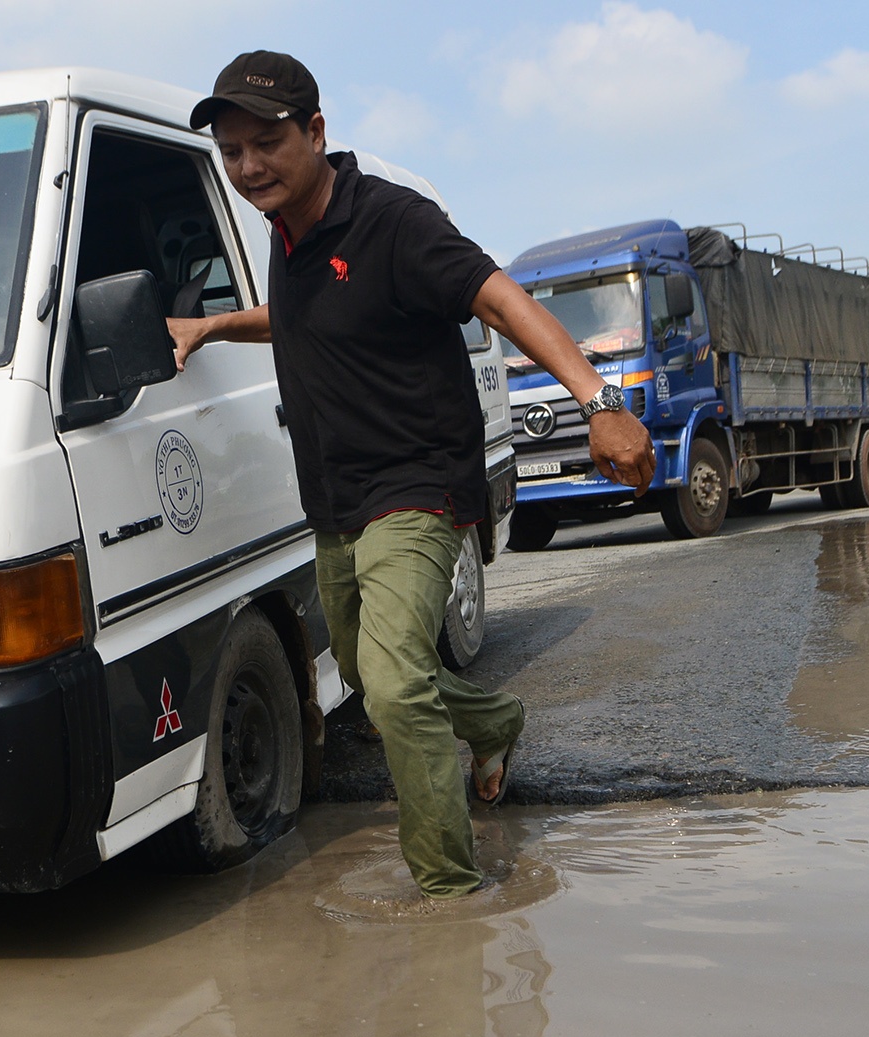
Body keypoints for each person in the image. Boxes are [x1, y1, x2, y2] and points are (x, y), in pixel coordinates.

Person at [171, 51, 655, 898]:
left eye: (268, 142)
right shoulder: (288, 239)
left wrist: (599, 399)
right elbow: (295, 316)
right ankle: (495, 721)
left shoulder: (395, 222)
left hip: (417, 486)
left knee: (393, 689)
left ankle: (449, 893)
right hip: (337, 498)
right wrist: (209, 329)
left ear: (316, 132)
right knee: (364, 671)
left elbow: (500, 298)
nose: (249, 166)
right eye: (233, 150)